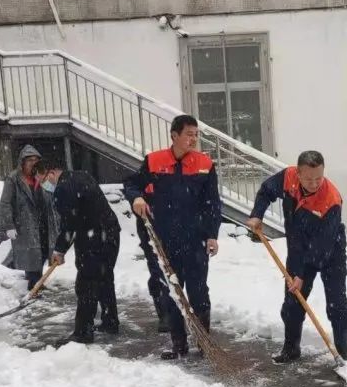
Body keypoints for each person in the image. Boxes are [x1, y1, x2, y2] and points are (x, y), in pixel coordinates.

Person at [123, 114, 222, 360]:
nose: (194, 139)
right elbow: (131, 184)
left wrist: (212, 235)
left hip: (195, 240)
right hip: (165, 241)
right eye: (189, 134)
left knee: (199, 292)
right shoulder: (155, 161)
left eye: (196, 134)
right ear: (174, 135)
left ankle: (203, 343)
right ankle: (179, 345)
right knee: (172, 293)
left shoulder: (204, 165)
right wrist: (136, 197)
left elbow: (212, 203)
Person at [247, 150, 347, 364]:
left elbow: (322, 246)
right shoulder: (288, 177)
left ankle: (342, 353)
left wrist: (302, 274)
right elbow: (266, 190)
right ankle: (291, 348)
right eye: (309, 179)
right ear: (299, 173)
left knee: (337, 304)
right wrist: (257, 214)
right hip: (298, 249)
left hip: (330, 252)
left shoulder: (330, 199)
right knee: (293, 301)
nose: (314, 183)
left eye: (319, 178)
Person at [34, 161, 121, 345]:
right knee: (104, 278)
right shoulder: (82, 175)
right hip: (110, 234)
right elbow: (82, 213)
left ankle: (83, 332)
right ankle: (110, 322)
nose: (43, 185)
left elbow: (69, 224)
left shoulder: (63, 189)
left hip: (94, 239)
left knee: (86, 284)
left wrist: (59, 250)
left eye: (41, 180)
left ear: (50, 173)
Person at [0, 144, 55, 291]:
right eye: (29, 159)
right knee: (30, 256)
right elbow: (5, 203)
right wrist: (8, 225)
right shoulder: (14, 179)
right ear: (22, 162)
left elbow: (51, 196)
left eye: (36, 159)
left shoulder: (40, 176)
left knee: (42, 252)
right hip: (24, 224)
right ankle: (33, 284)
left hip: (42, 223)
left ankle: (37, 281)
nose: (33, 163)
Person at [136, 215, 171, 333]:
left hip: (172, 222)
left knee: (170, 271)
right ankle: (165, 313)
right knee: (157, 271)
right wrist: (136, 198)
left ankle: (173, 311)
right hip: (148, 224)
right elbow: (134, 198)